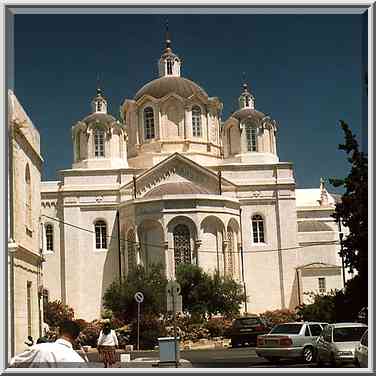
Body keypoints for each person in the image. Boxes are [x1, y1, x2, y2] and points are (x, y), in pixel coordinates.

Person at [10, 320, 86, 368]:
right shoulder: (79, 362)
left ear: (58, 331)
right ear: (76, 338)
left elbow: (12, 364)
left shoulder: (37, 349)